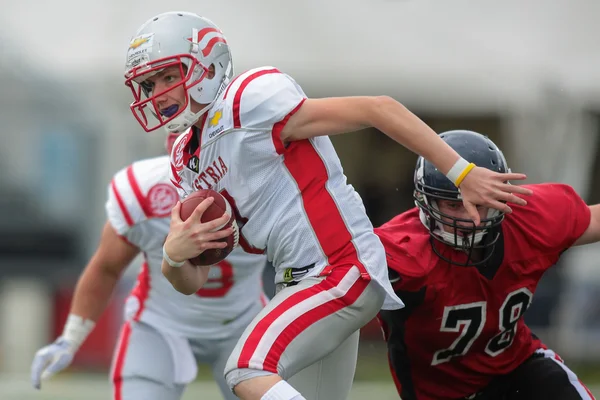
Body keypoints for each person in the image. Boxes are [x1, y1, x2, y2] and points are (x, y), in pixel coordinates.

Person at [122, 11, 532, 400]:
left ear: (206, 67)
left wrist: (461, 172)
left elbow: (378, 109)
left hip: (337, 269)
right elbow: (194, 281)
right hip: (300, 283)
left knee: (246, 370)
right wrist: (174, 257)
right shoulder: (185, 159)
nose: (157, 95)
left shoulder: (245, 102)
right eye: (150, 84)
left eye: (168, 77)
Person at [30, 132, 269, 400]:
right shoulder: (145, 190)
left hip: (245, 323)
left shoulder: (265, 185)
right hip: (160, 324)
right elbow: (107, 266)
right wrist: (70, 338)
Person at [376, 130, 597, 400]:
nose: (469, 217)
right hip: (439, 394)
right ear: (426, 200)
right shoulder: (399, 253)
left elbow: (593, 220)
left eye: (480, 204)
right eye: (452, 205)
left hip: (518, 368)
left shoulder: (528, 219)